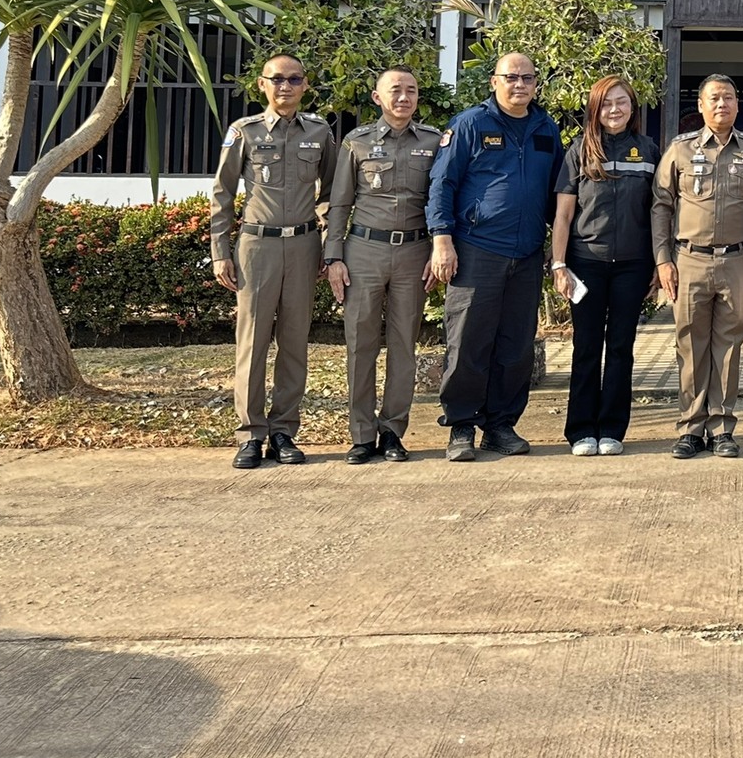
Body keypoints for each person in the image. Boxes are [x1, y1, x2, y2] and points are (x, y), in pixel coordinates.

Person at [426, 52, 564, 463]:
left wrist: (559, 249)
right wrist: (442, 239)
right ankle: (461, 425)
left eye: (527, 78)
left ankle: (500, 425)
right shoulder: (470, 124)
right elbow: (442, 183)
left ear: (536, 84)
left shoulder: (546, 128)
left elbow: (558, 193)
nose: (519, 84)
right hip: (477, 249)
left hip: (526, 253)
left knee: (516, 346)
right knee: (468, 341)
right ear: (494, 81)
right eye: (511, 77)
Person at [211, 54, 334, 470]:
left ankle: (284, 431)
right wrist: (219, 252)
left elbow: (331, 193)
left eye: (294, 79)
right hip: (257, 246)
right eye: (277, 79)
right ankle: (250, 434)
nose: (286, 86)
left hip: (303, 246)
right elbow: (222, 193)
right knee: (253, 341)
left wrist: (327, 243)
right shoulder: (243, 131)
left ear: (305, 85)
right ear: (262, 84)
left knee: (294, 342)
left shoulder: (319, 131)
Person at [324, 67, 442, 465]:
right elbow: (340, 203)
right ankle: (361, 434)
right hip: (364, 251)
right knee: (361, 345)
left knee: (404, 345)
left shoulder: (433, 142)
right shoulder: (356, 143)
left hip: (414, 253)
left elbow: (441, 198)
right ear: (378, 97)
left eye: (411, 90)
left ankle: (392, 430)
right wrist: (334, 257)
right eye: (395, 90)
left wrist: (438, 250)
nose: (404, 97)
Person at [652, 75, 743, 460]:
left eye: (729, 98)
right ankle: (691, 427)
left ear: (738, 105)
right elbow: (661, 205)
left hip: (740, 260)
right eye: (714, 98)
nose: (722, 104)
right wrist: (662, 259)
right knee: (690, 345)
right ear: (701, 106)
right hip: (689, 260)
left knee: (729, 346)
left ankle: (722, 427)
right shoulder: (680, 149)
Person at [550, 76, 658, 458]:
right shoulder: (578, 150)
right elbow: (563, 216)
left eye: (622, 102)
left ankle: (612, 428)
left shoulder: (648, 150)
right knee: (586, 346)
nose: (615, 109)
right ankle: (581, 430)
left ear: (633, 107)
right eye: (607, 103)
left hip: (633, 265)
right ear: (595, 109)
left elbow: (659, 212)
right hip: (587, 264)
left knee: (621, 347)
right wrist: (559, 264)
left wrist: (660, 264)